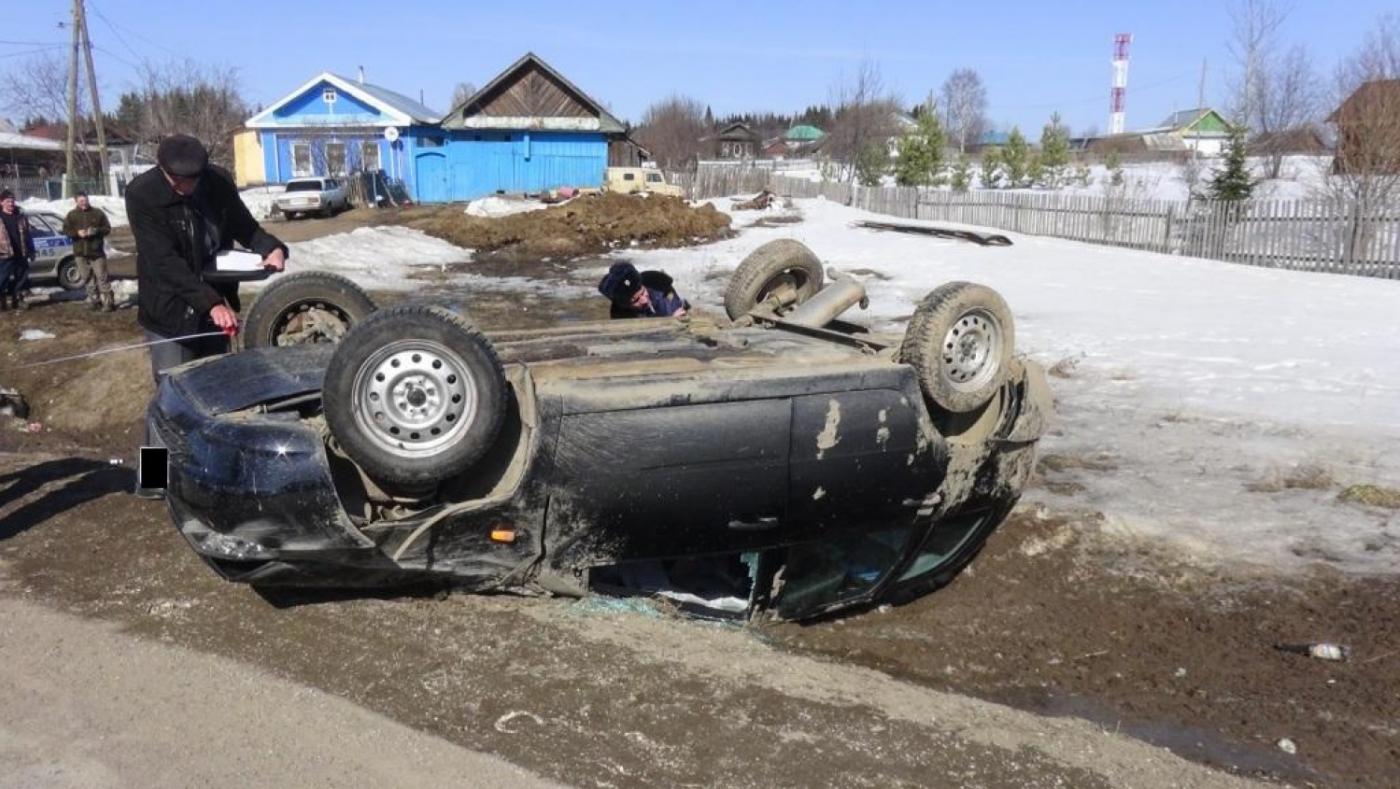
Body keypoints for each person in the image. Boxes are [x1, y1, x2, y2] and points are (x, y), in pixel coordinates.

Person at [125, 134, 287, 381]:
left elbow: (243, 225)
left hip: (213, 301)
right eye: (176, 180)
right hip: (170, 310)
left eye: (192, 179)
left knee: (218, 381)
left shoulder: (218, 182)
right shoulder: (143, 194)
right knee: (179, 386)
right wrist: (210, 303)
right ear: (162, 169)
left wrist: (270, 247)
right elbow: (163, 261)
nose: (185, 187)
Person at [61, 191, 115, 311]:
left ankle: (108, 303)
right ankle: (94, 301)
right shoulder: (71, 215)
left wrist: (95, 231)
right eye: (81, 201)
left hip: (96, 251)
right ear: (76, 201)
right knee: (87, 277)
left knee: (102, 276)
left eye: (85, 200)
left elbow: (107, 229)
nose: (84, 203)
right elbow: (65, 230)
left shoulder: (97, 213)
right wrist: (76, 233)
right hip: (80, 252)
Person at [597, 261, 688, 319]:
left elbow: (675, 304)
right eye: (636, 300)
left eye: (643, 292)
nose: (644, 300)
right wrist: (670, 321)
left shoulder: (660, 287)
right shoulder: (622, 317)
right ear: (626, 305)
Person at [0, 189, 36, 311]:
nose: (10, 204)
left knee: (21, 279)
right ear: (1, 202)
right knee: (2, 280)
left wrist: (31, 250)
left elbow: (28, 235)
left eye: (12, 201)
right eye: (7, 201)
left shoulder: (20, 216)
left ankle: (18, 300)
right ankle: (2, 302)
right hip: (4, 254)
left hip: (21, 253)